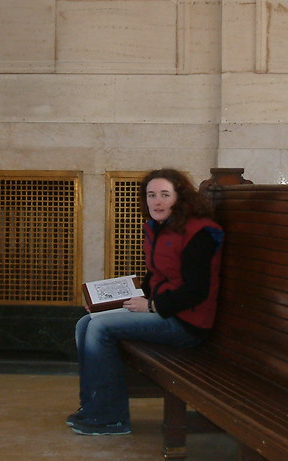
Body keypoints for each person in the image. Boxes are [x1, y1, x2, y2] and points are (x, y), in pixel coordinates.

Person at [69, 168, 223, 435]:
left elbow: (197, 290)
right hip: (164, 312)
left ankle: (109, 418)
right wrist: (107, 306)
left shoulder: (200, 232)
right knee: (86, 322)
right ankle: (93, 406)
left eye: (165, 194)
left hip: (188, 323)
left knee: (100, 328)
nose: (157, 201)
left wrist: (151, 306)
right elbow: (154, 278)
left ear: (180, 197)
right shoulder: (157, 228)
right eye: (151, 195)